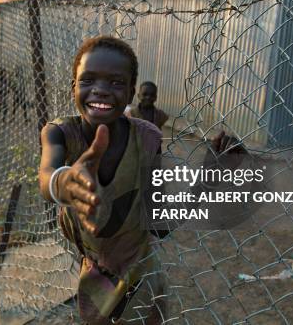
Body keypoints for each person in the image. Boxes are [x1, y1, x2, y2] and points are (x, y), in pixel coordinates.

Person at [39, 36, 243, 324]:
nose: (100, 90)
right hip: (97, 281)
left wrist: (209, 178)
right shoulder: (60, 133)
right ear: (73, 85)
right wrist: (63, 183)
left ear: (131, 93)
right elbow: (47, 175)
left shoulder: (146, 139)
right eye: (88, 80)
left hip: (143, 279)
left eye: (116, 83)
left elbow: (159, 224)